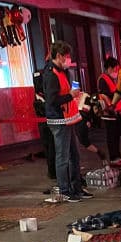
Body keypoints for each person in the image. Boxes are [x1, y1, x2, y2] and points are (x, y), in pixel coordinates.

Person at [41, 41, 87, 202]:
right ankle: (65, 190)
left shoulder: (61, 72)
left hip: (67, 118)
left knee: (74, 155)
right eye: (66, 56)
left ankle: (77, 187)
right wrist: (71, 96)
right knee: (63, 157)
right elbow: (52, 100)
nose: (69, 59)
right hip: (58, 120)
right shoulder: (51, 74)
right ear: (59, 56)